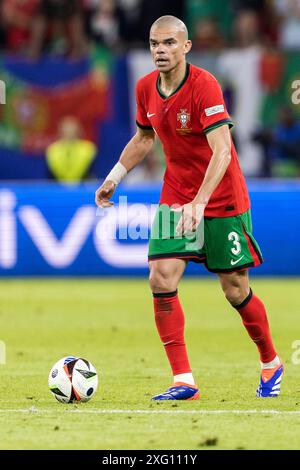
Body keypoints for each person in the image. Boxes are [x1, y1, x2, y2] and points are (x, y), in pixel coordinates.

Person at [95, 15, 283, 400]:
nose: (160, 51)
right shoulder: (146, 87)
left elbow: (223, 150)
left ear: (186, 46)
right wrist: (115, 175)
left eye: (167, 43)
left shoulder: (205, 86)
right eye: (153, 44)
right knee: (161, 277)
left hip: (222, 197)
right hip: (176, 193)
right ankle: (184, 380)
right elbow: (144, 137)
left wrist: (201, 202)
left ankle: (270, 362)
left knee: (234, 289)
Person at [46, 116, 97, 183]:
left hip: (82, 189)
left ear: (78, 131)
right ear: (60, 131)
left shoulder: (89, 149)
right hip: (58, 190)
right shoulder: (52, 150)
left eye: (72, 129)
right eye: (66, 129)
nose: (69, 132)